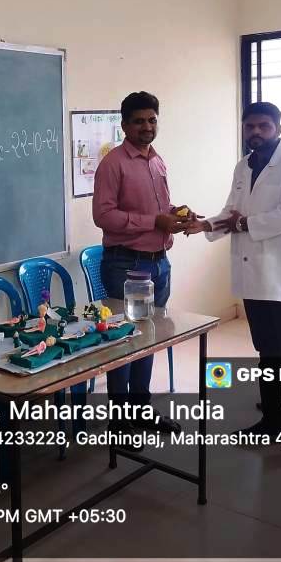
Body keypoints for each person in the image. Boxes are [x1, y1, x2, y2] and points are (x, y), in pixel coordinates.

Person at [186, 102, 281, 471]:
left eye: (263, 126)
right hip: (253, 277)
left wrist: (243, 223)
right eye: (250, 126)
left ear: (278, 128)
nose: (256, 132)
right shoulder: (243, 165)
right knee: (268, 354)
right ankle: (274, 420)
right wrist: (206, 225)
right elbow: (231, 211)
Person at [92, 91, 193, 437]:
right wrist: (154, 222)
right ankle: (120, 422)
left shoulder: (156, 160)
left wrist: (178, 215)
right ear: (124, 125)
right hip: (126, 265)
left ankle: (140, 410)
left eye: (152, 120)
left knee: (147, 338)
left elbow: (159, 210)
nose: (146, 126)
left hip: (159, 263)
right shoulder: (113, 164)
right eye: (138, 121)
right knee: (124, 340)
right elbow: (103, 216)